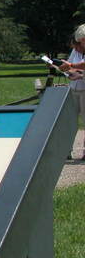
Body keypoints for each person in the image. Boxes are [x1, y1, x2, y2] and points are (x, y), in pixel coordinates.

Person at [57, 27, 85, 159]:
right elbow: (70, 67)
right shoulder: (75, 50)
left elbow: (80, 65)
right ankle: (66, 150)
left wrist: (74, 69)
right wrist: (68, 71)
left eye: (78, 46)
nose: (77, 49)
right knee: (70, 121)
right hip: (74, 89)